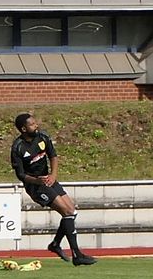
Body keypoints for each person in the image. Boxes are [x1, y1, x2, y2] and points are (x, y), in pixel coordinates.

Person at [10, 113, 96, 266]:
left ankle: (55, 244)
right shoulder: (18, 147)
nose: (36, 126)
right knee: (67, 212)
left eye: (35, 123)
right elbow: (21, 175)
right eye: (32, 124)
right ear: (23, 129)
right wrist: (36, 180)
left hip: (49, 180)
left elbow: (53, 156)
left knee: (72, 211)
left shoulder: (42, 137)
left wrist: (53, 175)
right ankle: (77, 255)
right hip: (35, 186)